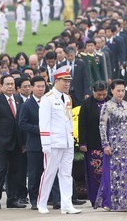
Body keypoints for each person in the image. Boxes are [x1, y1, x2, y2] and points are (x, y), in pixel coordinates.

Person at [94, 79, 127, 211]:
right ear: (112, 91)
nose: (121, 93)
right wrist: (105, 144)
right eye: (118, 91)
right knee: (115, 174)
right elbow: (102, 126)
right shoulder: (107, 106)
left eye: (123, 91)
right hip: (114, 144)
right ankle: (112, 203)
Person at [37, 65, 82, 214]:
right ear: (56, 80)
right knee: (49, 172)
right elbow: (44, 123)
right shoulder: (47, 99)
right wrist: (45, 144)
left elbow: (68, 120)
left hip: (67, 142)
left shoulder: (67, 98)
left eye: (69, 81)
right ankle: (42, 203)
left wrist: (72, 138)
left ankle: (66, 204)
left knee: (66, 174)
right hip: (53, 142)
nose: (67, 84)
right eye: (64, 80)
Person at [0, 75, 27, 209]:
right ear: (2, 85)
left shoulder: (18, 99)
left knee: (15, 171)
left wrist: (23, 142)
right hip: (1, 143)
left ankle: (12, 199)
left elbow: (20, 122)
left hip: (17, 142)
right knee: (2, 169)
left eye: (12, 84)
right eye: (7, 84)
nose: (10, 86)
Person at [78, 81, 110, 206]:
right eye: (99, 95)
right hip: (93, 143)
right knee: (95, 173)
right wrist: (82, 143)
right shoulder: (86, 104)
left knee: (107, 172)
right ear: (93, 92)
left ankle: (107, 197)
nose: (102, 97)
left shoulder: (110, 102)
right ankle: (95, 198)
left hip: (108, 144)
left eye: (104, 94)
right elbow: (82, 125)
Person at [18, 75, 47, 210]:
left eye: (43, 86)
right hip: (34, 144)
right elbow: (22, 124)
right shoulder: (27, 105)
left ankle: (51, 198)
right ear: (32, 88)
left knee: (48, 172)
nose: (41, 89)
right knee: (34, 174)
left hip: (49, 144)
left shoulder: (49, 102)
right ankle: (34, 199)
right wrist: (40, 130)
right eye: (38, 86)